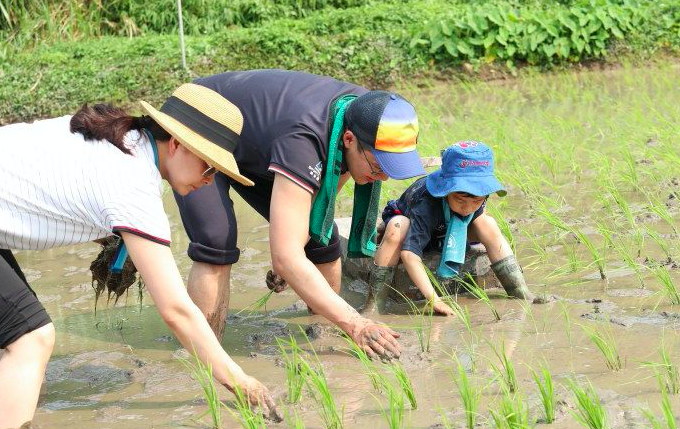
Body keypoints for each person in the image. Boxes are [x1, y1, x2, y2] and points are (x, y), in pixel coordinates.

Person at [0, 83, 280, 428]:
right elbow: (177, 311)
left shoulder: (121, 138)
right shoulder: (133, 184)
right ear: (177, 144)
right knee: (30, 339)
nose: (210, 181)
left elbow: (59, 191)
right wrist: (240, 382)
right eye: (210, 168)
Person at [173, 69, 427, 360]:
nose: (381, 177)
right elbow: (287, 255)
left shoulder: (368, 112)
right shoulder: (305, 140)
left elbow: (322, 200)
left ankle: (323, 338)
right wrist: (356, 322)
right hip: (201, 120)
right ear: (348, 140)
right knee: (216, 240)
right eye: (378, 166)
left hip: (259, 140)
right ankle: (205, 356)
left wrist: (291, 255)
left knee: (321, 238)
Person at [365, 141, 535, 315]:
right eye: (460, 200)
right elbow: (409, 255)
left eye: (476, 202)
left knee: (488, 223)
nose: (468, 208)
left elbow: (476, 212)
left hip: (447, 229)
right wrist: (435, 300)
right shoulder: (426, 203)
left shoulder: (477, 199)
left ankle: (520, 291)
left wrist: (474, 208)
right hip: (415, 226)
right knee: (397, 227)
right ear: (445, 191)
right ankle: (374, 306)